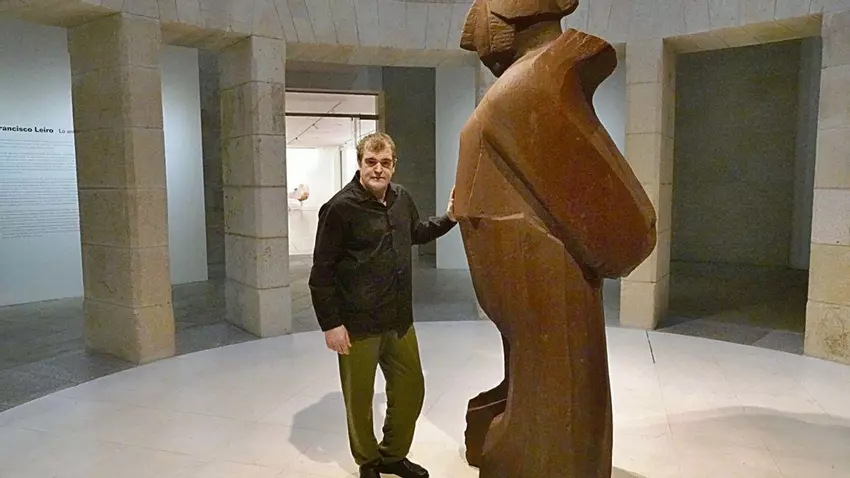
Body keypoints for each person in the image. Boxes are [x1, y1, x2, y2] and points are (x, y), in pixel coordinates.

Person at [308, 132, 457, 478]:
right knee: (359, 399)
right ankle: (368, 461)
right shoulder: (338, 208)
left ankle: (393, 455)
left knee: (411, 389)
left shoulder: (402, 198)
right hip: (357, 324)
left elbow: (416, 232)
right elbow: (321, 272)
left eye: (385, 163)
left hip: (398, 318)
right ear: (359, 163)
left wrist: (450, 218)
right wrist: (331, 324)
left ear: (394, 165)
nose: (378, 169)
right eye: (371, 162)